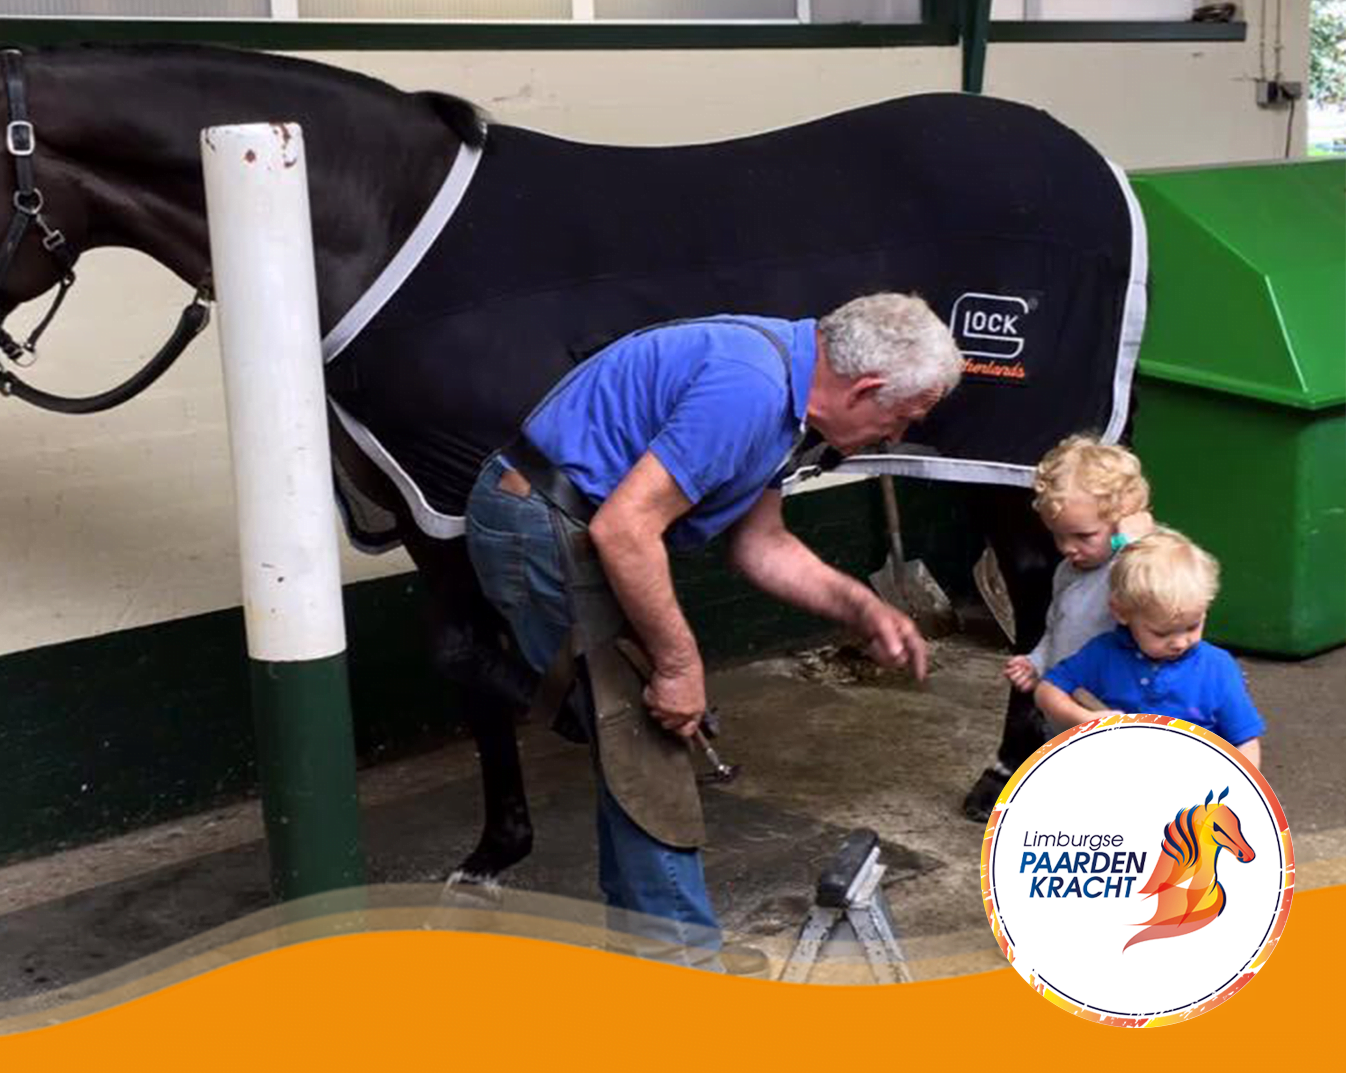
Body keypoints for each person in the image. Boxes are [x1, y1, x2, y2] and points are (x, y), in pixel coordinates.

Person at [463, 293, 962, 970]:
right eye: (902, 418)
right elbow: (626, 528)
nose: (895, 435)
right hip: (548, 519)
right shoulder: (749, 390)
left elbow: (761, 544)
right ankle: (685, 965)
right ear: (867, 387)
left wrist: (861, 608)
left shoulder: (786, 389)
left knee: (635, 730)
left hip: (580, 518)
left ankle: (652, 948)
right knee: (646, 731)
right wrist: (676, 665)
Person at [964, 436, 1155, 820]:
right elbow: (1056, 625)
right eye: (1058, 536)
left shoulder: (1129, 567)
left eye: (1084, 536)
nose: (1068, 548)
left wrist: (1133, 539)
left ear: (1123, 520)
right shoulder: (1069, 570)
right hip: (1067, 704)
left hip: (1114, 705)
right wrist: (1035, 661)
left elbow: (1159, 587)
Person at [1036, 527, 1265, 767]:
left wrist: (1242, 792)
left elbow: (1246, 741)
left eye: (1192, 626)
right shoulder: (1104, 654)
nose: (1179, 642)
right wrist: (1084, 718)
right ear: (1121, 612)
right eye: (1161, 633)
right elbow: (1047, 691)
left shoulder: (1217, 668)